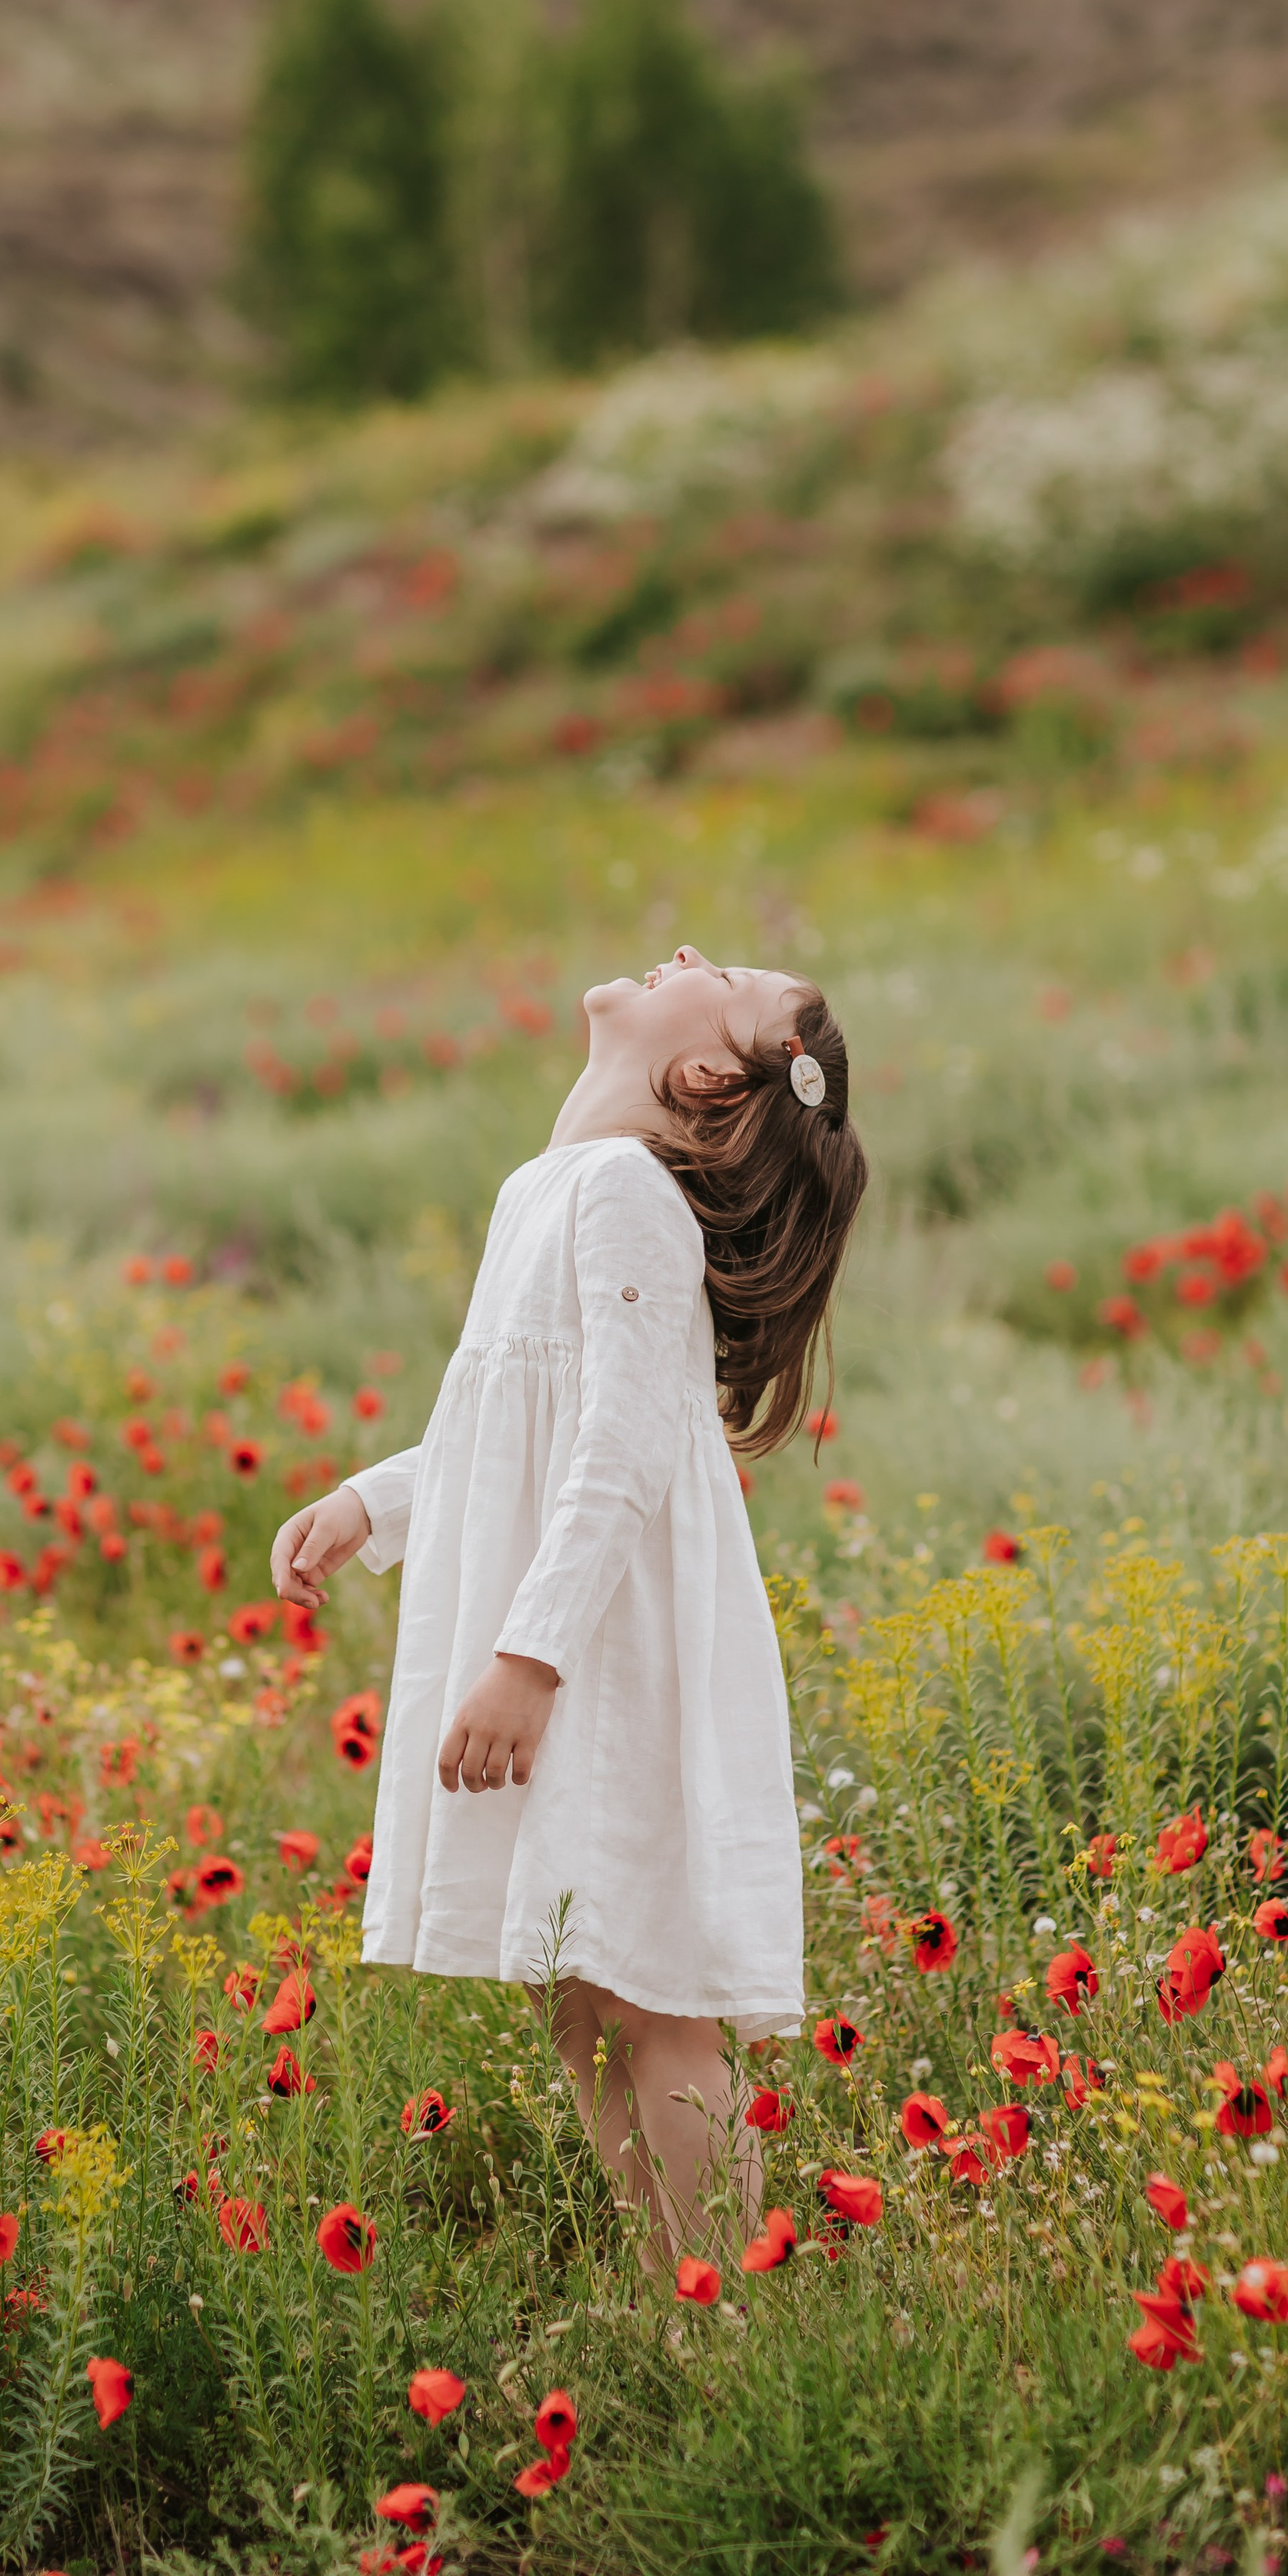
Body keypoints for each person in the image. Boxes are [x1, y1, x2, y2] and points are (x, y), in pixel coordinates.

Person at [270, 943, 867, 2265]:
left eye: (733, 974)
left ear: (710, 1069)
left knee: (652, 1985)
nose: (692, 952)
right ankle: (676, 2289)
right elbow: (518, 1426)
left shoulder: (625, 1189)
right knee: (581, 1988)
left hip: (612, 1642)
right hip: (575, 1620)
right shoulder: (552, 1185)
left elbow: (626, 1441)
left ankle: (729, 2307)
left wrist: (529, 1656)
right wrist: (379, 1501)